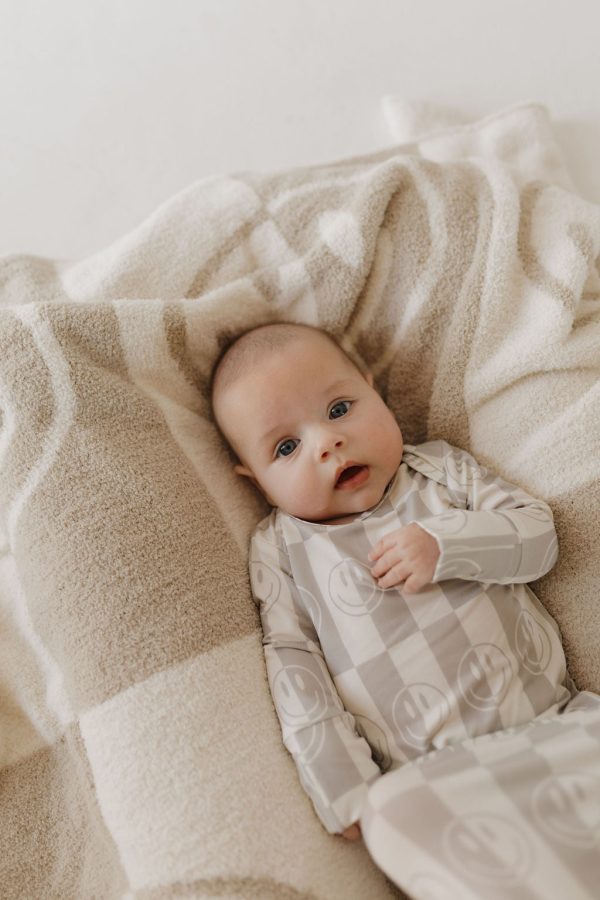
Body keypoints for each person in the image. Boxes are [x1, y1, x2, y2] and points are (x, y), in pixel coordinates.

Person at [210, 321, 574, 842]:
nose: (326, 442)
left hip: (555, 728)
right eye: (286, 448)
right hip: (435, 791)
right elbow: (294, 667)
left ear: (371, 388)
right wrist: (345, 790)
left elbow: (538, 535)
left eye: (339, 409)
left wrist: (447, 543)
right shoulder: (281, 551)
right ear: (256, 481)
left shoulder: (439, 472)